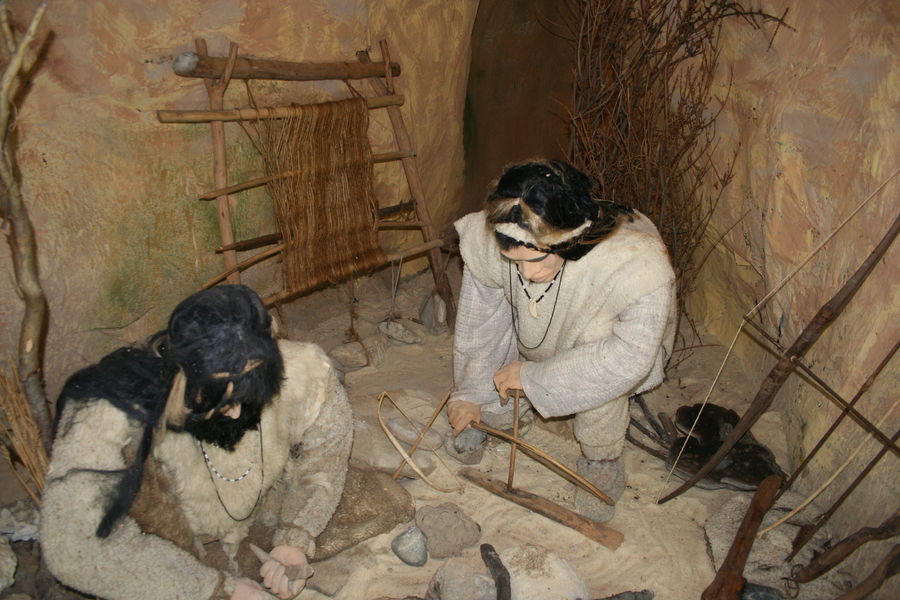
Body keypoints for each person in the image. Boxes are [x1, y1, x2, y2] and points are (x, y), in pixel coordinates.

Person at [41, 285, 353, 600]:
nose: (234, 415)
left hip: (259, 520)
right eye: (220, 400)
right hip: (171, 540)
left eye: (248, 397)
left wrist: (293, 540)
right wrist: (213, 589)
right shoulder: (110, 410)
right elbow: (77, 546)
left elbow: (326, 456)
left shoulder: (304, 371)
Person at [447, 159, 676, 522]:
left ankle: (601, 457)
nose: (528, 272)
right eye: (514, 260)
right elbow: (483, 322)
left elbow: (626, 358)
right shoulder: (494, 234)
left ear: (567, 241)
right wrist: (471, 392)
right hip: (545, 330)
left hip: (598, 338)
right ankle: (500, 409)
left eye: (537, 258)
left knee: (596, 342)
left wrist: (533, 377)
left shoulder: (635, 266)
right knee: (515, 304)